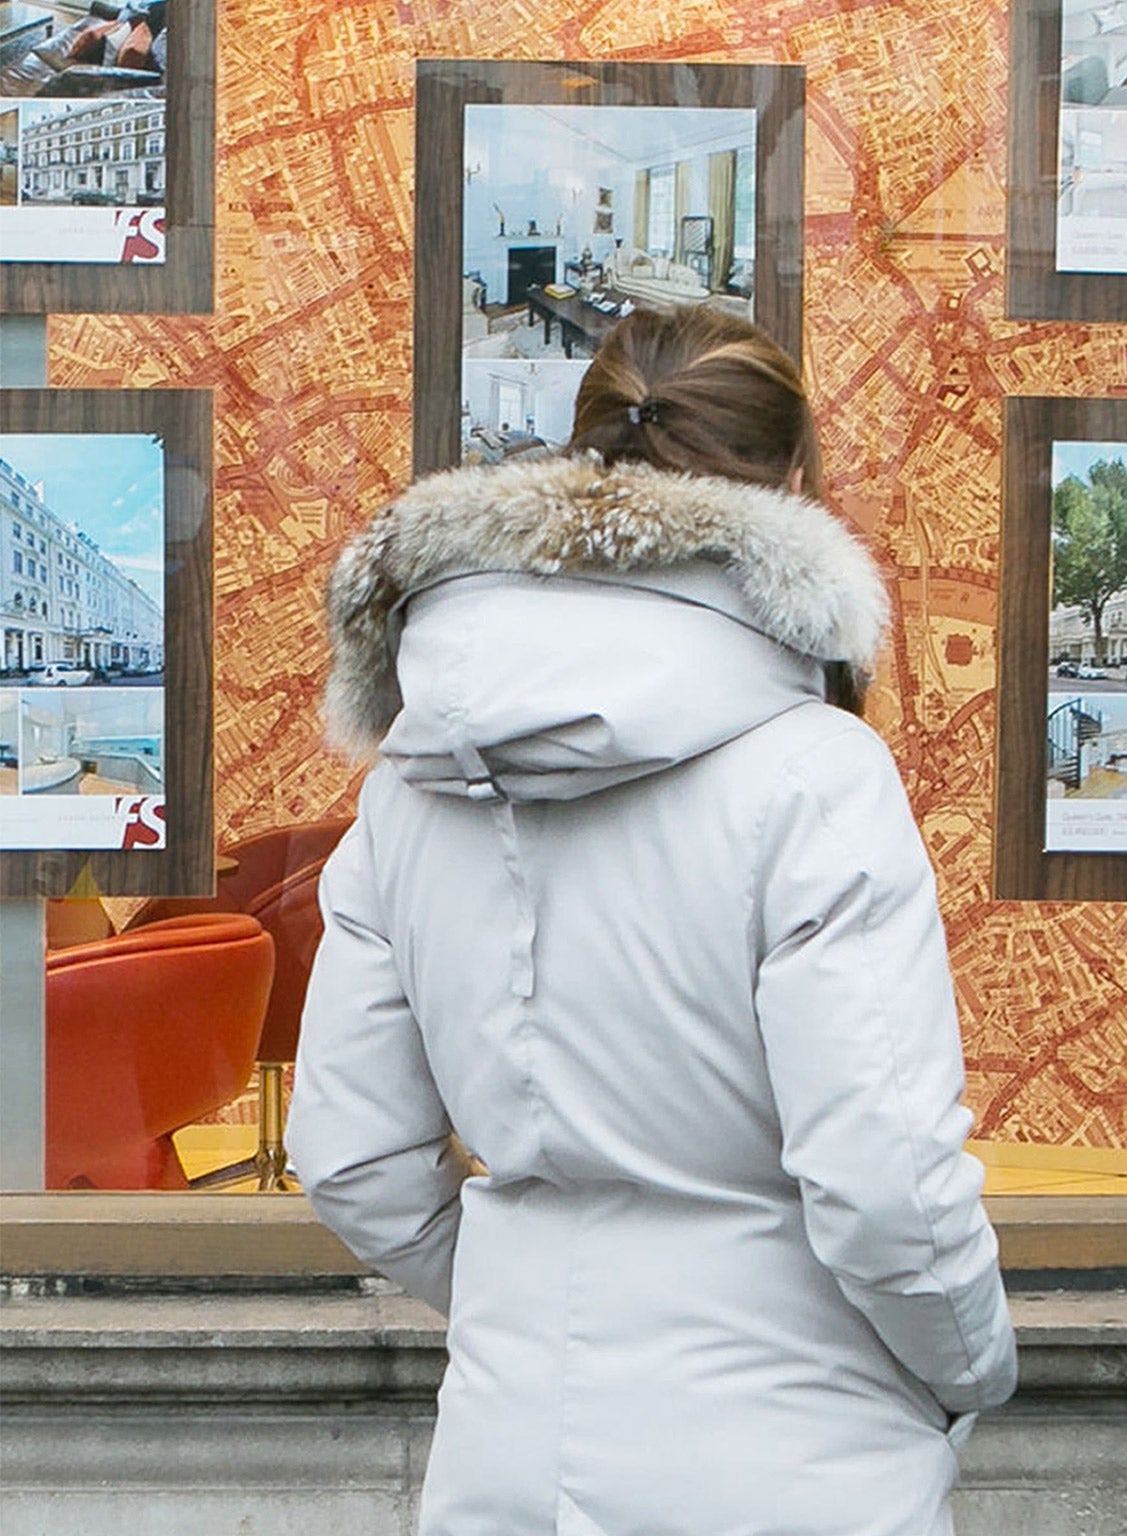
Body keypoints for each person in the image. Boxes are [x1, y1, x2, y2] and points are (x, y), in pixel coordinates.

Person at [287, 307, 1017, 1536]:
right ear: (792, 490)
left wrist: (534, 1312)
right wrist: (968, 1372)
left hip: (506, 1453)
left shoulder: (411, 786)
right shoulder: (814, 775)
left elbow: (354, 1156)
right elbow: (885, 1185)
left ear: (581, 469)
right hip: (798, 1452)